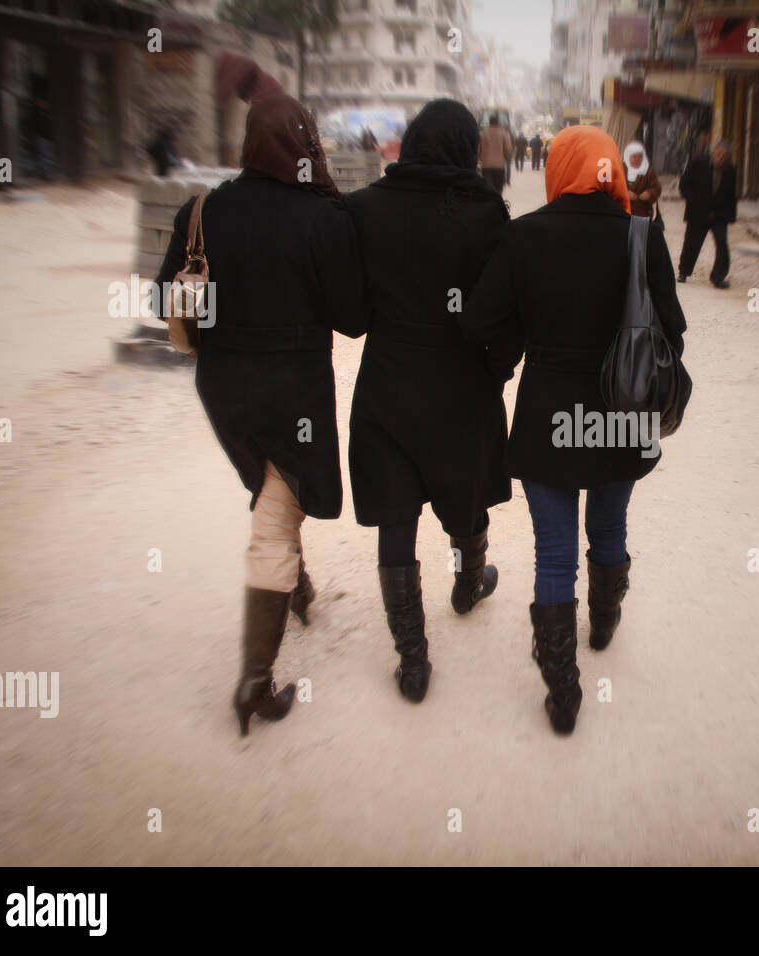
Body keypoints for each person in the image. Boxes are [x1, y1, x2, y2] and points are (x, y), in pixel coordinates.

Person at [462, 126, 687, 735]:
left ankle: (563, 691)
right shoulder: (643, 235)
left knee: (554, 551)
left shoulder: (524, 235)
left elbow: (482, 318)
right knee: (609, 524)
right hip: (623, 413)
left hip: (548, 418)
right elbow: (674, 328)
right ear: (610, 167)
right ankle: (605, 619)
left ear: (560, 168)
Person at [154, 93, 365, 736]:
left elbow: (168, 295)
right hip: (291, 390)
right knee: (275, 517)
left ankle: (294, 589)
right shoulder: (322, 218)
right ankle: (254, 682)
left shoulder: (203, 209)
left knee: (272, 491)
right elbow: (353, 319)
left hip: (221, 386)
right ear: (304, 143)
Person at [343, 99, 512, 704]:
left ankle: (413, 663)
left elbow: (353, 317)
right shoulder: (488, 213)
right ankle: (469, 584)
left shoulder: (362, 209)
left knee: (396, 516)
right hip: (461, 384)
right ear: (467, 147)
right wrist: (496, 369)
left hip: (388, 381)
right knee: (465, 498)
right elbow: (505, 310)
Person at [678, 138, 737, 288]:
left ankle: (718, 277)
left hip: (719, 214)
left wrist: (730, 216)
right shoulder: (698, 163)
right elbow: (684, 183)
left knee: (722, 243)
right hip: (698, 211)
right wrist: (691, 200)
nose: (721, 158)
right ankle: (684, 271)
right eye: (718, 154)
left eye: (724, 155)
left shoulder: (730, 170)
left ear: (728, 156)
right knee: (692, 242)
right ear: (713, 152)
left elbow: (732, 195)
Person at [622, 140, 661, 221]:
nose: (637, 159)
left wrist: (649, 193)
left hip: (643, 214)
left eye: (640, 157)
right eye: (634, 157)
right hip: (624, 213)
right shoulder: (621, 170)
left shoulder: (648, 171)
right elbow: (612, 188)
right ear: (628, 157)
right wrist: (625, 193)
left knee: (641, 233)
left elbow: (657, 188)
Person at [478, 115, 512, 194]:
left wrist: (480, 159)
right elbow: (508, 149)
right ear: (498, 122)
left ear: (489, 122)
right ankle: (498, 203)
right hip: (499, 166)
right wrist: (505, 159)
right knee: (499, 188)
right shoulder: (504, 133)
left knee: (487, 189)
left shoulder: (482, 133)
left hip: (486, 166)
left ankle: (489, 204)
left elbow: (478, 149)